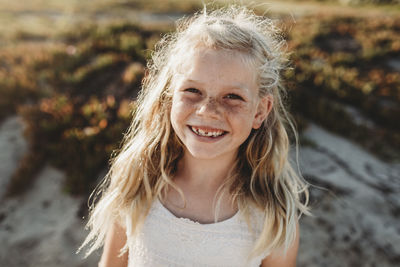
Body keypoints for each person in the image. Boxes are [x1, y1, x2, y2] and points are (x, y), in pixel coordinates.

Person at [79, 5, 309, 267]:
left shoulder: (272, 219)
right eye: (192, 90)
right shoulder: (139, 184)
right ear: (169, 98)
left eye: (232, 96)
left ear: (260, 111)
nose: (208, 111)